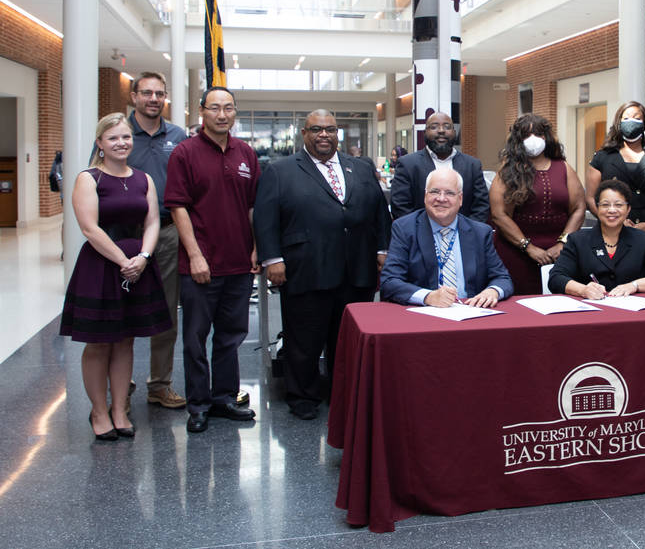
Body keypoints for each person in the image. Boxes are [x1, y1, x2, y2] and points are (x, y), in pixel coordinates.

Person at [254, 110, 391, 420]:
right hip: (307, 267)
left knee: (346, 337)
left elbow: (379, 213)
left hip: (356, 269)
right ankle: (302, 395)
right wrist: (273, 260)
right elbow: (265, 220)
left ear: (338, 133)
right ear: (304, 134)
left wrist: (382, 249)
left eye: (330, 129)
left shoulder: (360, 168)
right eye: (316, 129)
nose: (324, 135)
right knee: (304, 337)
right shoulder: (280, 171)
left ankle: (341, 391)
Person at [60, 113, 171, 440]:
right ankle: (98, 411)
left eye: (125, 137)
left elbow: (152, 223)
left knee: (125, 341)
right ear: (100, 144)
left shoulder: (144, 179)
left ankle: (120, 409)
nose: (121, 143)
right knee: (98, 343)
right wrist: (124, 260)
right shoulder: (88, 178)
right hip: (102, 265)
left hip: (139, 265)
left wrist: (144, 258)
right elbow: (89, 228)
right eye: (113, 138)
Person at [164, 86, 261, 433]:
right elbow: (178, 206)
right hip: (200, 265)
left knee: (231, 335)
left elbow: (252, 207)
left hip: (238, 264)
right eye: (215, 108)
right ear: (201, 111)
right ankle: (199, 404)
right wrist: (194, 255)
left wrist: (255, 247)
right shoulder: (184, 154)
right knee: (195, 337)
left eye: (228, 108)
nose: (222, 114)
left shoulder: (246, 154)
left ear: (235, 113)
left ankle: (223, 398)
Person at [125, 71, 188, 410]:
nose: (153, 98)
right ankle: (122, 384)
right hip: (124, 236)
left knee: (165, 311)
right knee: (121, 311)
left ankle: (159, 385)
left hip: (166, 233)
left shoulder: (177, 136)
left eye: (159, 93)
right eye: (146, 92)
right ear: (134, 96)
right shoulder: (118, 134)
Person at [381, 168, 513, 307]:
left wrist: (492, 291)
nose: (441, 198)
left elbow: (502, 278)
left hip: (470, 312)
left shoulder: (480, 232)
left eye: (449, 193)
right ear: (425, 196)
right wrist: (428, 296)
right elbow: (389, 281)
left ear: (460, 199)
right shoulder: (405, 228)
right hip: (424, 315)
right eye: (435, 191)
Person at [489, 114, 586, 294]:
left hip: (559, 255)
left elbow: (579, 208)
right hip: (517, 254)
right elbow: (499, 215)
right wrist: (528, 247)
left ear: (546, 137)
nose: (533, 139)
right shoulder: (506, 171)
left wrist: (562, 244)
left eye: (538, 133)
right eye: (526, 134)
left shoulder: (563, 167)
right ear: (518, 140)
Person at [549, 179, 645, 298]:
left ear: (628, 210)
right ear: (597, 208)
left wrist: (634, 286)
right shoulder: (577, 240)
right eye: (605, 205)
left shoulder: (642, 240)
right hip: (591, 312)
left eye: (618, 205)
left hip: (632, 313)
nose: (611, 210)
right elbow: (556, 278)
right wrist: (583, 290)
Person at [586, 102, 645, 249]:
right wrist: (614, 221)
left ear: (644, 123)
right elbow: (590, 198)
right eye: (625, 118)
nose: (630, 122)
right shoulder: (602, 157)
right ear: (618, 124)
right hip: (610, 234)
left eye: (636, 118)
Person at [389, 112, 490, 222]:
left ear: (454, 132)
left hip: (463, 236)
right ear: (425, 133)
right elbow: (400, 206)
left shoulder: (472, 165)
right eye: (434, 127)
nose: (441, 131)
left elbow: (481, 206)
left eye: (447, 127)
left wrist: (466, 234)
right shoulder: (407, 164)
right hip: (419, 236)